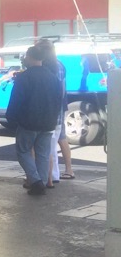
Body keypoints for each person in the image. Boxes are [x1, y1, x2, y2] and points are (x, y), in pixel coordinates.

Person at [6, 45, 62, 196]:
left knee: (23, 151)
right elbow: (59, 100)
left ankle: (36, 181)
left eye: (26, 56)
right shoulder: (53, 77)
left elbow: (16, 100)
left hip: (28, 122)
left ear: (30, 57)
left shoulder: (24, 77)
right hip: (48, 123)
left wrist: (11, 118)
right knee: (43, 154)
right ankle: (41, 182)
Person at [35, 39, 75, 186]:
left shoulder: (48, 66)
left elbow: (52, 92)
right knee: (55, 142)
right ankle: (56, 174)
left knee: (47, 146)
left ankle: (50, 177)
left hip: (50, 112)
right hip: (58, 110)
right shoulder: (59, 65)